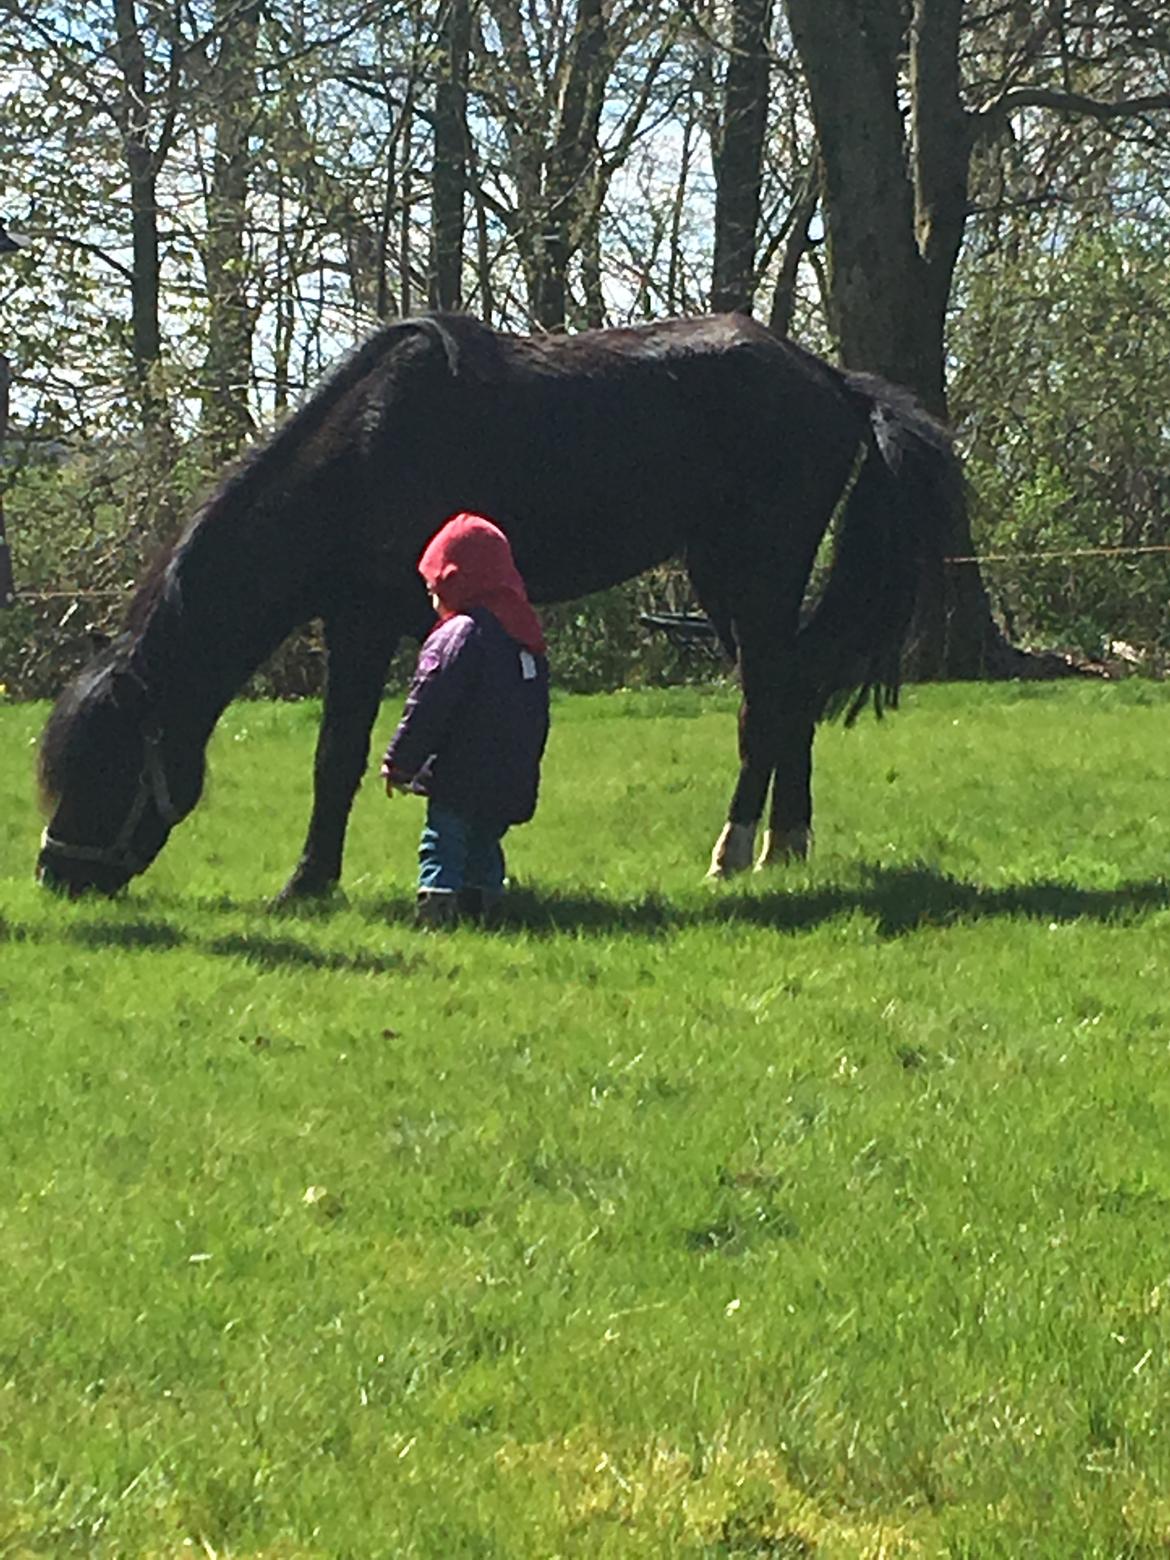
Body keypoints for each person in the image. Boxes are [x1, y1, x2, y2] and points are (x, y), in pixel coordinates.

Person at [380, 512, 550, 926]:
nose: (432, 598)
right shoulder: (525, 636)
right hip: (509, 773)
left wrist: (400, 762)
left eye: (436, 586)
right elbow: (537, 715)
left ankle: (436, 912)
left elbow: (428, 705)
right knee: (485, 843)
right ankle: (486, 908)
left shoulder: (457, 636)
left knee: (443, 840)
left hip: (460, 773)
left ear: (458, 580)